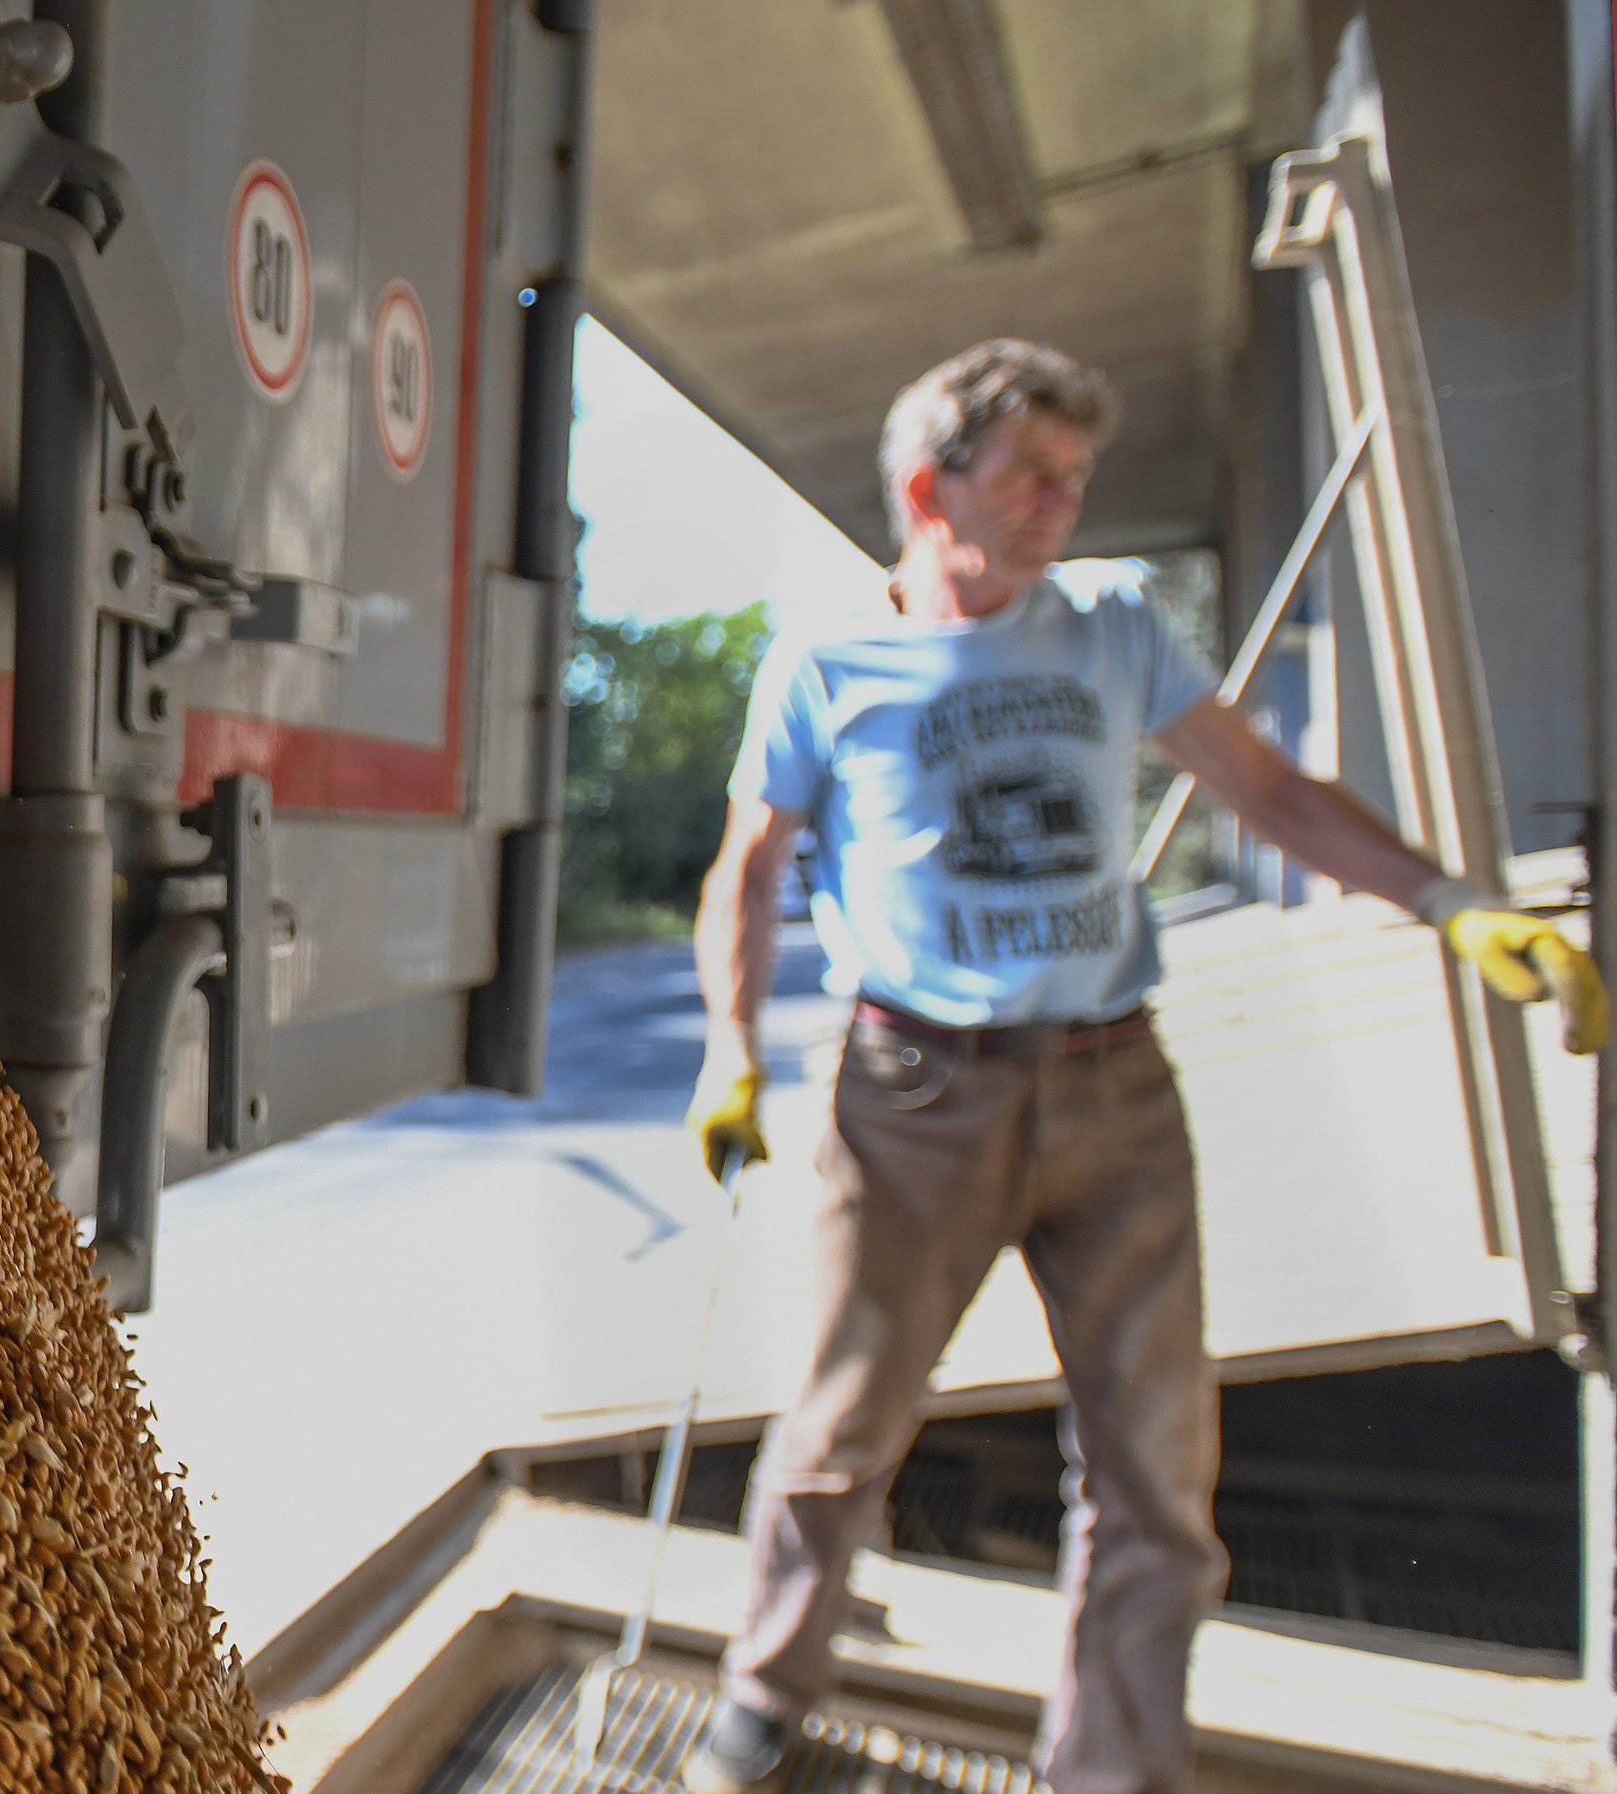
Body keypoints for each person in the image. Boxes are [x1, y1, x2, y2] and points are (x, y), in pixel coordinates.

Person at [679, 339, 1607, 1794]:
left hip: (1116, 1089)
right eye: (1032, 474)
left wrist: (1450, 899)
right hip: (914, 1097)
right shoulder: (824, 659)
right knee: (839, 1430)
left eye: (1076, 476)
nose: (1063, 500)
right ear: (929, 488)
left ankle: (1113, 1769)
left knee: (1157, 1474)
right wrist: (729, 1051)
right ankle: (763, 1691)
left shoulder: (1110, 622)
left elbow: (1269, 789)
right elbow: (748, 871)